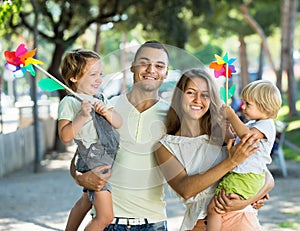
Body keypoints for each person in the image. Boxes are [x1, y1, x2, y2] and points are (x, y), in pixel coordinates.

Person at [70, 41, 268, 231]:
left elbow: (256, 166)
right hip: (109, 221)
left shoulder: (175, 118)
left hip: (154, 221)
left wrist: (255, 194)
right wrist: (80, 177)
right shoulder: (106, 108)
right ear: (132, 67)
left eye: (159, 65)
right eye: (144, 63)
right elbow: (82, 152)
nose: (151, 70)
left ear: (165, 73)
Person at [154, 69, 274, 231]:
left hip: (240, 219)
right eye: (191, 92)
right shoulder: (165, 146)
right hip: (200, 224)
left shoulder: (223, 134)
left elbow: (265, 175)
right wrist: (232, 161)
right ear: (179, 96)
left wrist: (249, 199)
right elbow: (186, 189)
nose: (198, 100)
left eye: (205, 94)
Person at [58, 49, 122, 231]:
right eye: (93, 74)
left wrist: (106, 112)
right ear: (74, 78)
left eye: (100, 74)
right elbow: (65, 136)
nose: (99, 79)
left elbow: (118, 122)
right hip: (92, 159)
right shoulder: (70, 102)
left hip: (105, 154)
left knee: (86, 201)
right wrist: (81, 116)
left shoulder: (100, 98)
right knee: (105, 216)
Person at [206, 79, 282, 231]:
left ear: (265, 107)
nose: (243, 107)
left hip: (245, 176)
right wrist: (227, 127)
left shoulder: (266, 125)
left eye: (248, 104)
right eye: (243, 102)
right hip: (241, 175)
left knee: (214, 209)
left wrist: (232, 116)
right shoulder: (252, 124)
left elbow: (247, 137)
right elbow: (234, 138)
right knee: (220, 208)